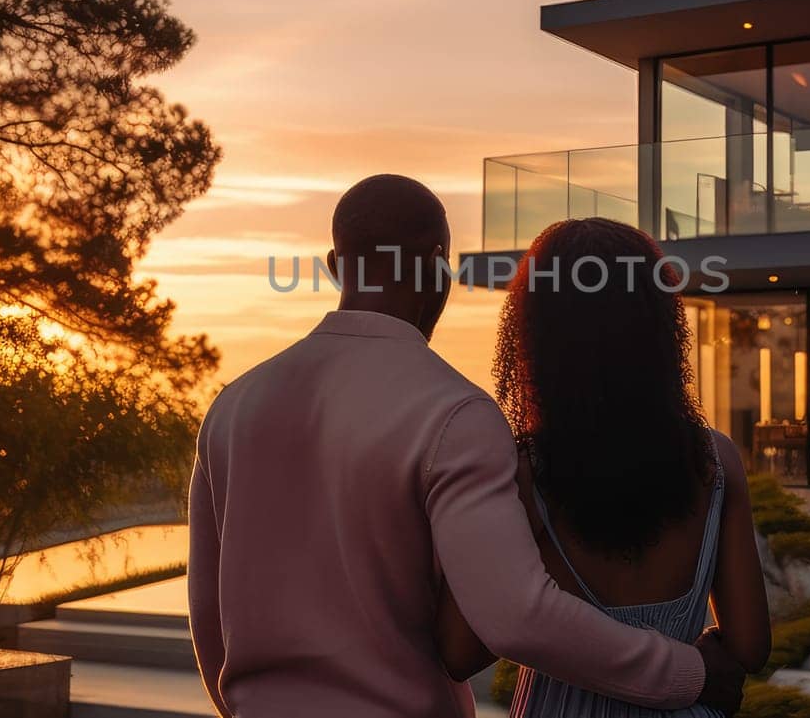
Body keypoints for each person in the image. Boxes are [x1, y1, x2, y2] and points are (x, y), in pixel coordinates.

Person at [187, 176, 745, 718]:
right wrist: (690, 674)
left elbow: (209, 618)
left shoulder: (231, 409)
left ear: (335, 266)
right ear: (436, 265)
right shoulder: (454, 415)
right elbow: (515, 616)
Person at [436, 217, 773, 716]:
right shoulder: (714, 462)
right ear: (659, 327)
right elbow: (750, 647)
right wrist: (683, 654)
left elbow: (462, 649)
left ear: (536, 335)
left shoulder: (524, 474)